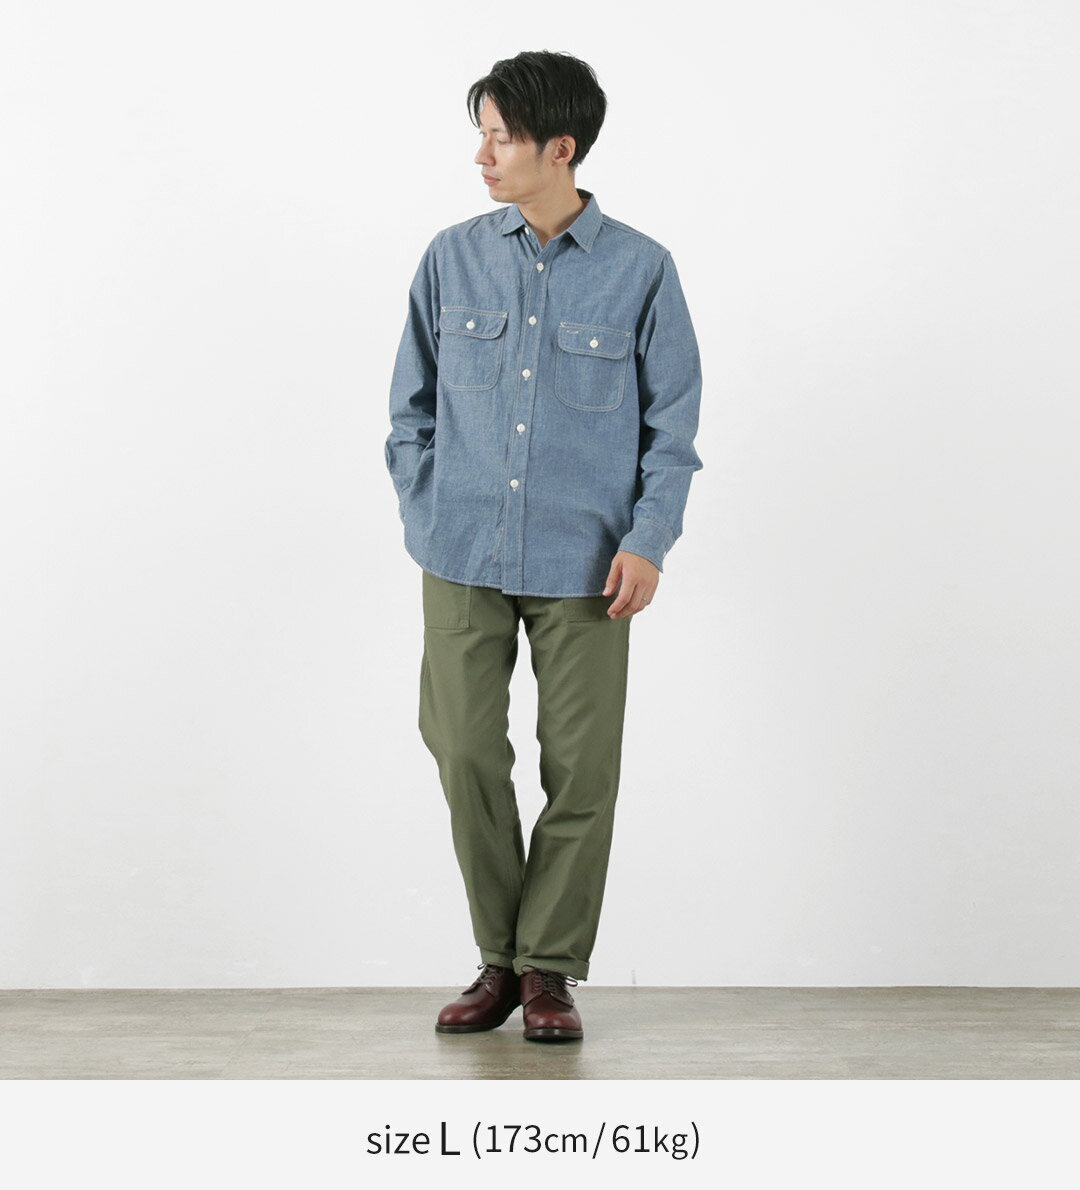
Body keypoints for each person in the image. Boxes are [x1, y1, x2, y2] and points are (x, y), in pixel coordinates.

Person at [384, 50, 703, 1042]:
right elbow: (409, 411)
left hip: (589, 566)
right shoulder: (450, 258)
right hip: (460, 552)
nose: (482, 155)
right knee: (464, 750)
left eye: (500, 137)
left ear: (560, 148)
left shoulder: (642, 269)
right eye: (480, 135)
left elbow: (673, 429)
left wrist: (648, 540)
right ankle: (499, 957)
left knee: (583, 771)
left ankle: (546, 969)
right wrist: (427, 508)